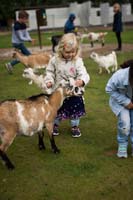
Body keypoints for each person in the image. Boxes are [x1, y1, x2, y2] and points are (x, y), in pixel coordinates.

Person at [44, 33, 90, 137]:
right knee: (57, 109)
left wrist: (82, 80)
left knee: (75, 110)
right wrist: (49, 81)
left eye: (73, 52)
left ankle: (74, 126)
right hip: (58, 91)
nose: (70, 54)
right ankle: (55, 125)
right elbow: (49, 72)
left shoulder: (77, 61)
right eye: (67, 52)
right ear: (61, 49)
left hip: (73, 92)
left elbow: (83, 73)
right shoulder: (54, 60)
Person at [106, 60, 133, 158]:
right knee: (125, 124)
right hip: (120, 102)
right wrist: (126, 102)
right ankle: (122, 145)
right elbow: (109, 89)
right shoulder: (119, 76)